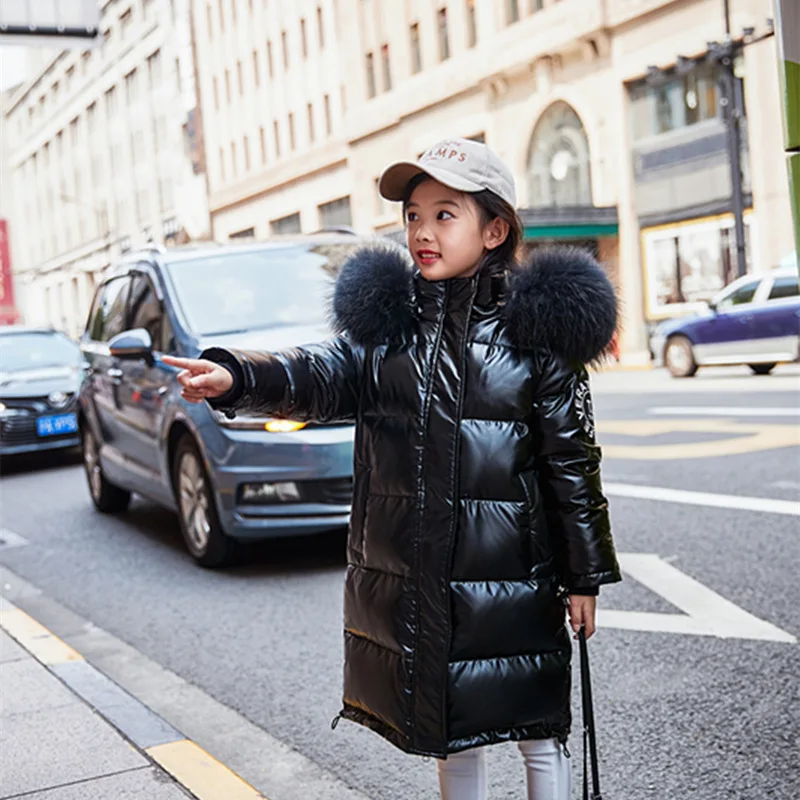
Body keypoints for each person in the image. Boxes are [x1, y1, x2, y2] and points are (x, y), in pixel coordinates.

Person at [163, 137, 621, 800]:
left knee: (537, 730)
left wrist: (584, 577)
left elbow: (572, 466)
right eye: (412, 216)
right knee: (448, 728)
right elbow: (314, 373)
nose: (422, 232)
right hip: (426, 580)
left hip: (519, 579)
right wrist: (236, 375)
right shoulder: (389, 335)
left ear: (494, 229)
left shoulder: (537, 339)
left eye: (444, 214)